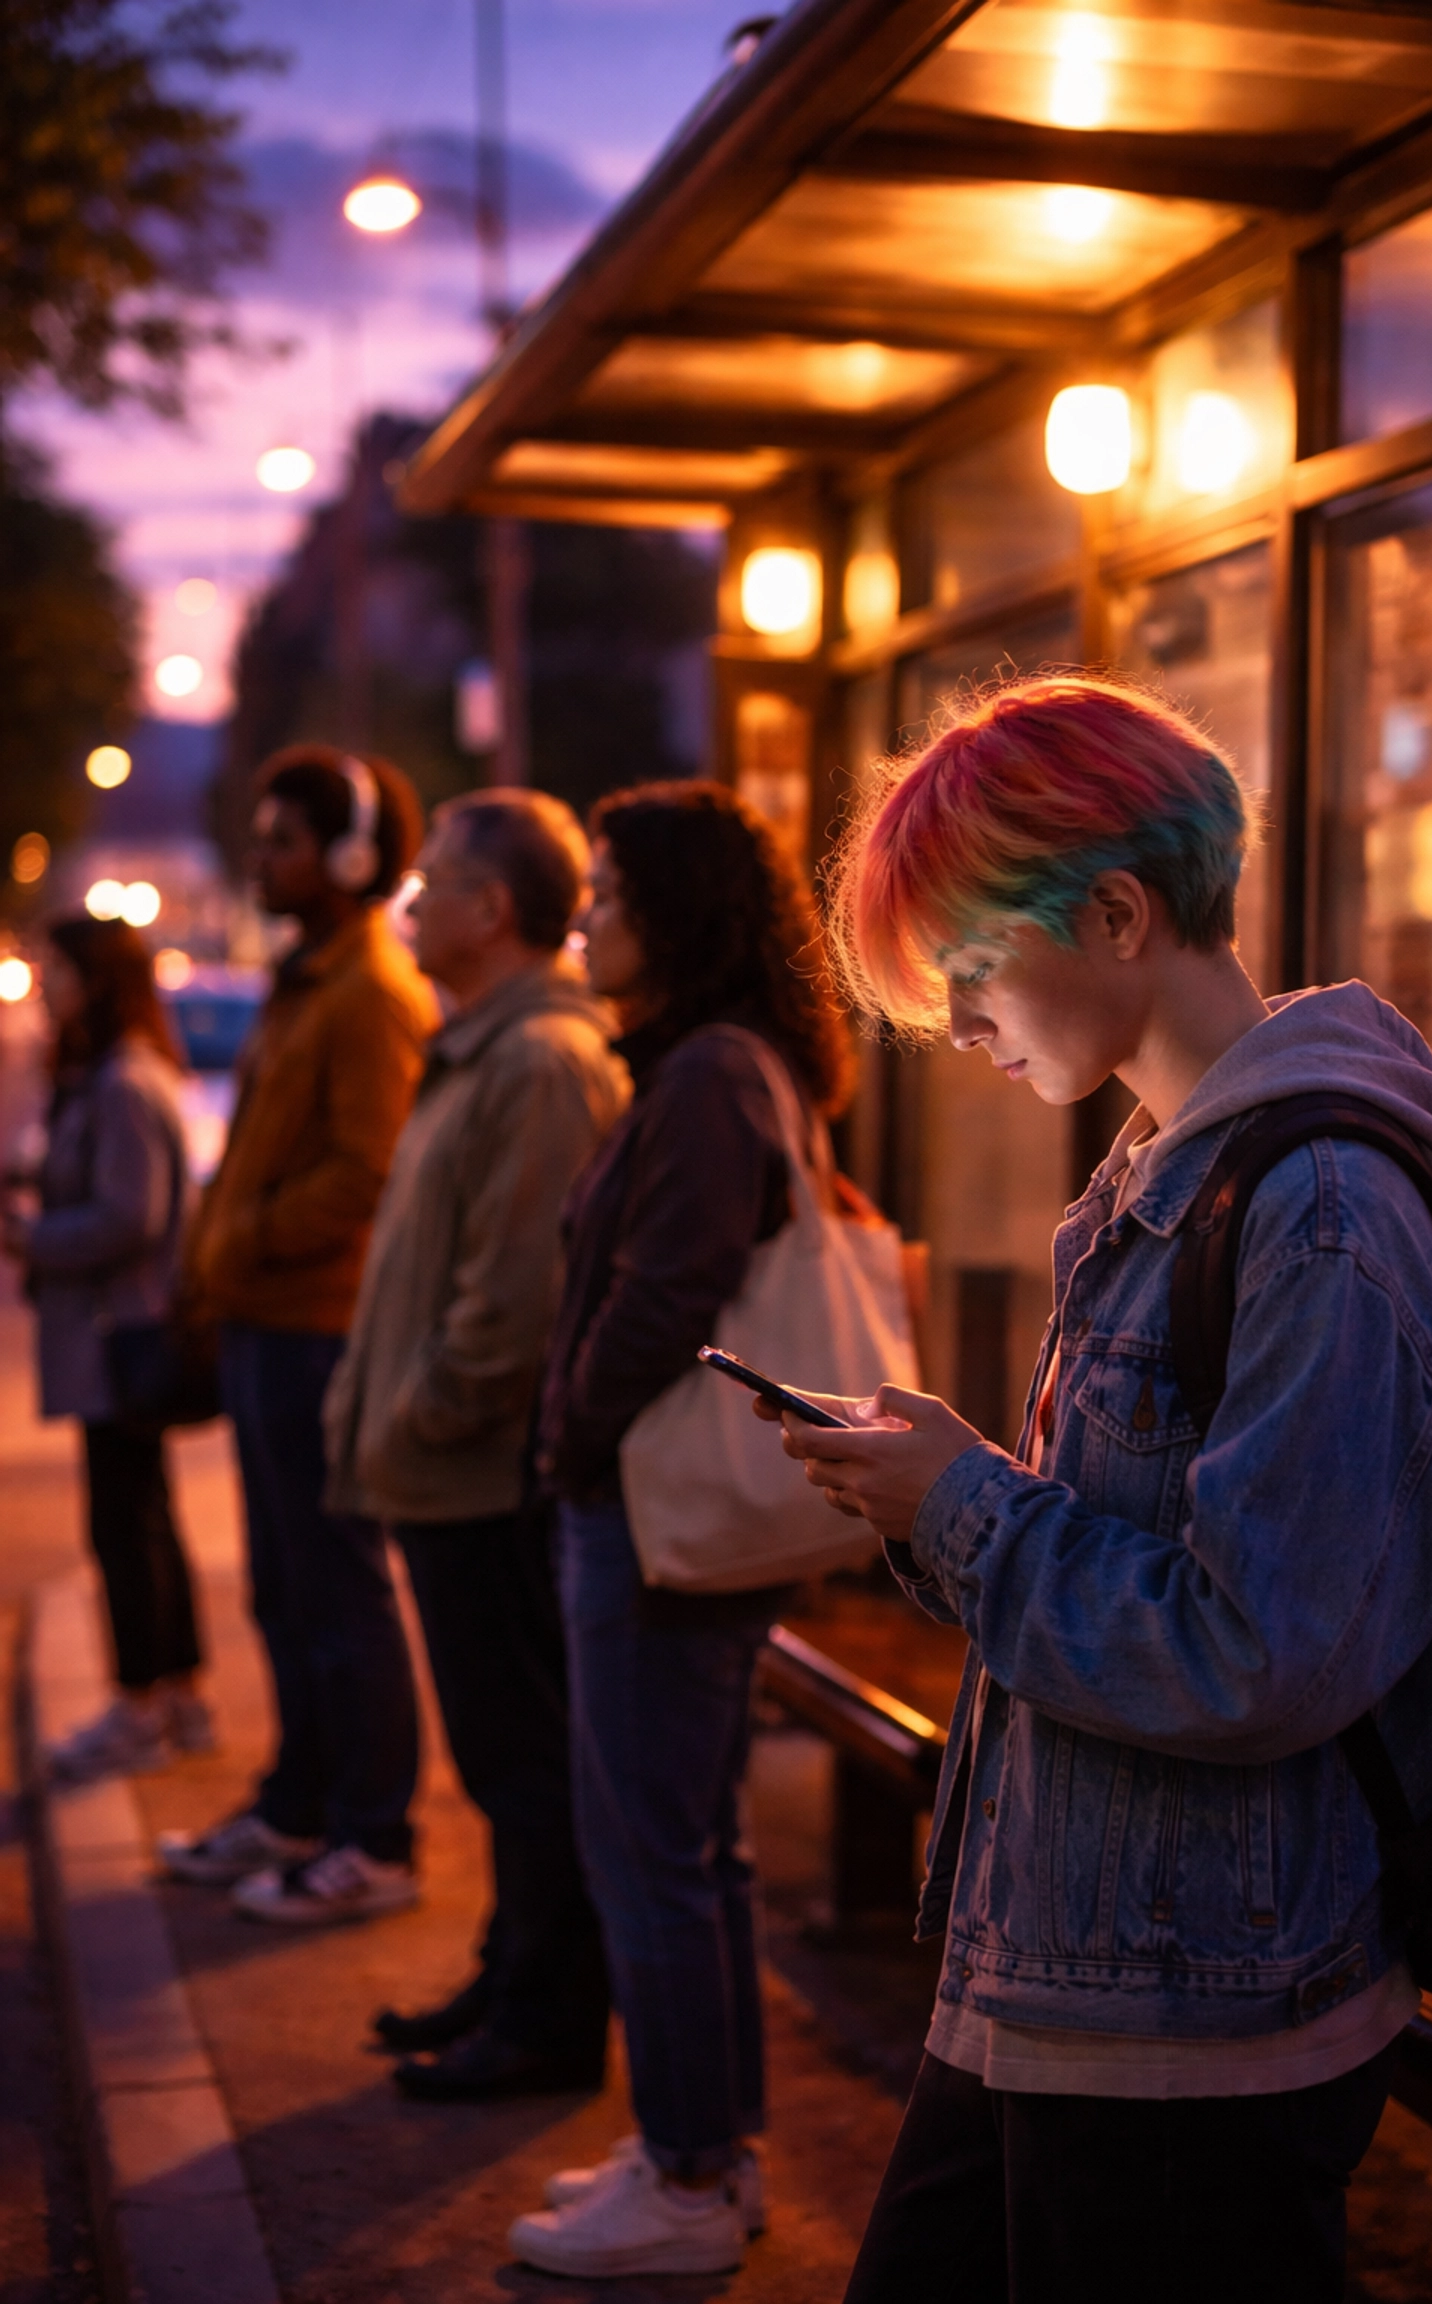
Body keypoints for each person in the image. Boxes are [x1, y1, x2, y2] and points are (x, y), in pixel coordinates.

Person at [758, 675, 1432, 2304]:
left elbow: (1258, 1645)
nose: (956, 1024)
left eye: (966, 967)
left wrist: (961, 1504)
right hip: (1079, 1964)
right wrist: (945, 1483)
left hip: (1198, 2011)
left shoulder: (1313, 1201)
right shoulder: (1170, 1171)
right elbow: (1163, 1551)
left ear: (1113, 911)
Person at [508, 782, 854, 2281]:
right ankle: (705, 2153)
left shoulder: (709, 1074)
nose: (585, 914)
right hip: (663, 1518)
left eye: (605, 889)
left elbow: (666, 1292)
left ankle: (691, 2173)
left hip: (645, 1518)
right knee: (691, 1847)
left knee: (646, 1847)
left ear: (676, 909)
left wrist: (571, 1439)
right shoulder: (728, 1064)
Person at [324, 789, 626, 2099]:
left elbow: (507, 1311)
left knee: (526, 1759)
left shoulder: (538, 1063)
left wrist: (417, 1420)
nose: (407, 900)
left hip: (484, 1479)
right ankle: (511, 1979)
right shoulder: (483, 1050)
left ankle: (547, 2021)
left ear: (491, 910)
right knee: (506, 1761)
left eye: (431, 881)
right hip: (448, 1472)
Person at [158, 744, 439, 1926]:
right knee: (283, 1589)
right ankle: (297, 1806)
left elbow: (366, 1172)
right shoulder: (307, 980)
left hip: (320, 1327)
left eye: (282, 840)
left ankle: (374, 1836)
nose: (261, 858)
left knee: (334, 1591)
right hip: (270, 1321)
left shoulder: (370, 993)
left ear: (350, 858)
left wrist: (241, 1237)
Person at [5, 916, 213, 1780]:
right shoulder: (115, 1077)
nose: (47, 985)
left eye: (59, 970)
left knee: (126, 1523)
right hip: (114, 1332)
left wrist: (34, 1236)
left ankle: (145, 1703)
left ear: (99, 979)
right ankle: (176, 1697)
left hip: (121, 1334)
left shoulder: (125, 1083)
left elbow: (134, 1215)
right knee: (140, 1516)